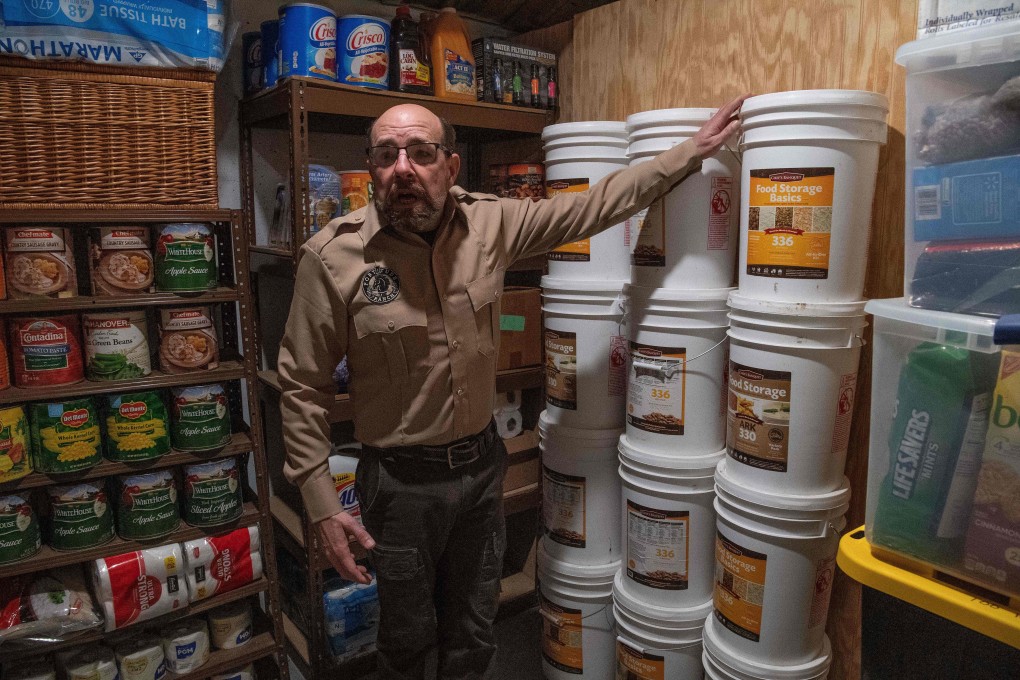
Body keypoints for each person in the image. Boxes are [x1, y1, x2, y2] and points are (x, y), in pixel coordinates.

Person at [277, 96, 747, 679]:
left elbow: (592, 208)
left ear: (450, 167)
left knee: (474, 632)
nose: (403, 167)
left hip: (479, 473)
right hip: (399, 489)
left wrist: (689, 152)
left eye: (421, 153)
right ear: (371, 166)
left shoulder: (490, 223)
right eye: (386, 154)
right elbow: (300, 387)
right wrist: (321, 504)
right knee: (404, 640)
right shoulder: (333, 258)